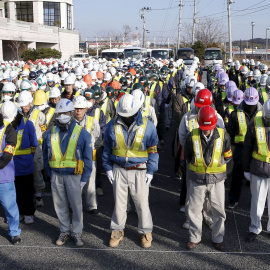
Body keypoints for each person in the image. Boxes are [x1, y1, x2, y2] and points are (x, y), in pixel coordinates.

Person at [102, 94, 159, 248]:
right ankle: (117, 230)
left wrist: (150, 171)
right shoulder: (111, 125)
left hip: (140, 170)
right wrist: (107, 168)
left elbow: (153, 151)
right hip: (118, 169)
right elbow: (107, 149)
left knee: (141, 203)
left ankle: (146, 231)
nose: (127, 117)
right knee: (119, 204)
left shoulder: (148, 126)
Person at [43, 98, 92, 247]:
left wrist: (84, 178)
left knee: (76, 206)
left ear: (71, 113)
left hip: (74, 177)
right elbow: (46, 156)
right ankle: (64, 231)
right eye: (59, 113)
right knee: (60, 206)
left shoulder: (82, 133)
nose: (62, 115)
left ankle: (77, 232)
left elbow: (88, 158)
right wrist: (51, 175)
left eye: (65, 112)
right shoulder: (50, 133)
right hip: (56, 175)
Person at [185, 105, 232, 251]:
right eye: (204, 127)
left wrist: (224, 175)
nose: (206, 130)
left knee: (218, 210)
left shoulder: (224, 136)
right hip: (197, 178)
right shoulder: (191, 136)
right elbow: (188, 156)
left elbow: (228, 157)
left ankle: (218, 238)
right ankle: (194, 237)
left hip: (217, 179)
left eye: (209, 127)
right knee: (194, 209)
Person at [227, 87, 262, 209]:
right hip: (240, 150)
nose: (250, 107)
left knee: (258, 180)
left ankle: (257, 202)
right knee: (237, 177)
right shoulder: (235, 114)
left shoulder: (262, 114)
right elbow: (229, 133)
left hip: (257, 150)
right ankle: (233, 199)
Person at [243, 99, 270, 242]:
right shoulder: (255, 123)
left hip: (261, 169)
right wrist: (246, 169)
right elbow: (247, 147)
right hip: (258, 169)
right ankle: (255, 227)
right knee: (257, 201)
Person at [17, 91, 46, 207]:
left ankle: (39, 195)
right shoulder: (18, 117)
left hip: (36, 148)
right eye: (22, 105)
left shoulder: (40, 115)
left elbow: (44, 132)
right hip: (22, 149)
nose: (24, 107)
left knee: (37, 171)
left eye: (26, 104)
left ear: (30, 102)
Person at [73, 95, 101, 215]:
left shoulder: (93, 121)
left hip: (89, 157)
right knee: (74, 182)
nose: (78, 111)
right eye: (76, 108)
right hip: (73, 158)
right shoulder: (69, 122)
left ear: (86, 109)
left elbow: (98, 139)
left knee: (90, 181)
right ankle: (74, 204)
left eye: (81, 108)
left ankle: (91, 205)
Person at [13, 99, 38, 224]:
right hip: (25, 164)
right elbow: (34, 143)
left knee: (16, 190)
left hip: (12, 165)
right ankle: (28, 213)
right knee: (27, 190)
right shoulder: (28, 124)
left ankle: (21, 213)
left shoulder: (6, 126)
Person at [0, 102, 22, 244]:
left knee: (9, 205)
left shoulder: (10, 130)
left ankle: (14, 232)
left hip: (4, 173)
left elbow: (8, 154)